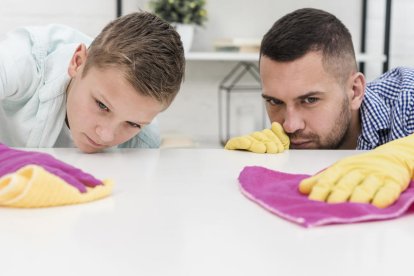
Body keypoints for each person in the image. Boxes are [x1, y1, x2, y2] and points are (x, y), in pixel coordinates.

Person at [225, 8, 414, 208]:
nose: (290, 125)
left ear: (355, 91)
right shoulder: (294, 132)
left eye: (309, 100)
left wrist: (403, 157)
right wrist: (255, 164)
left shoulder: (406, 99)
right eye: (275, 102)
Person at [0, 12, 185, 153]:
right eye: (102, 105)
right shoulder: (23, 58)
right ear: (78, 61)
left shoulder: (144, 141)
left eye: (132, 124)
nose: (106, 135)